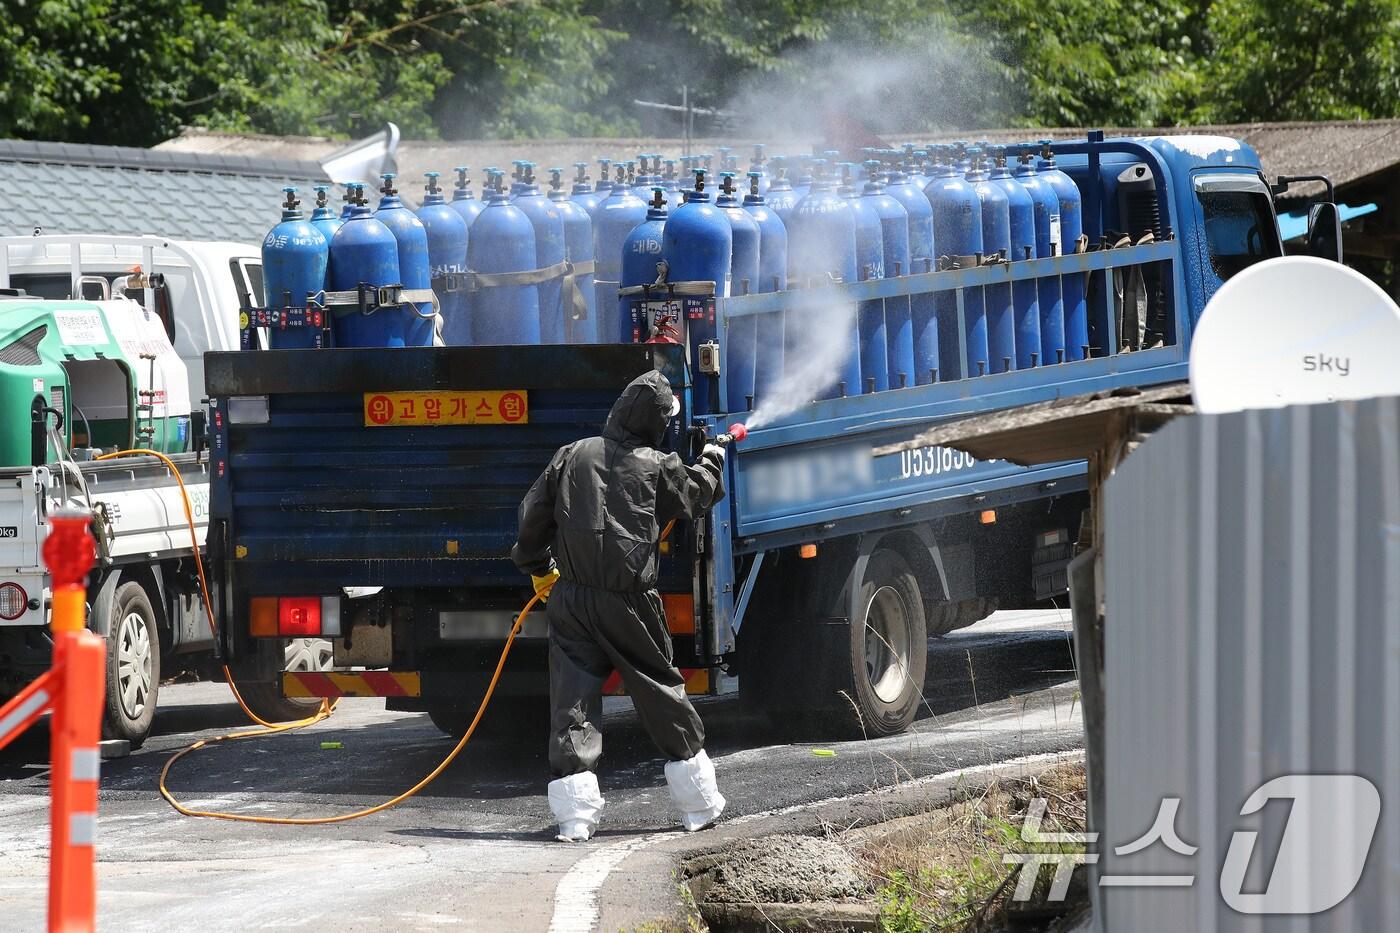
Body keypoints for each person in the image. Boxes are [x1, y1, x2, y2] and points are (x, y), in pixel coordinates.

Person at [512, 371, 728, 842]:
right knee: (658, 690)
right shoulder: (658, 464)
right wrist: (713, 460)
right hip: (630, 602)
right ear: (657, 422)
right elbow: (696, 495)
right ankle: (699, 806)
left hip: (571, 598)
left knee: (572, 700)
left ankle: (574, 820)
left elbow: (533, 516)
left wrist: (538, 565)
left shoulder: (571, 454)